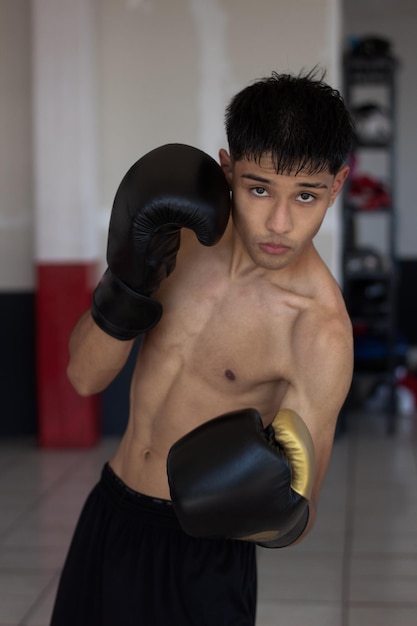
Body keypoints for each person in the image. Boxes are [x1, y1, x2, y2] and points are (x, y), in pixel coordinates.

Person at [50, 69, 355, 626]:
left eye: (306, 195)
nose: (279, 223)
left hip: (203, 558)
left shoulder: (317, 332)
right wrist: (127, 285)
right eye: (259, 188)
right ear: (226, 169)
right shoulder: (177, 243)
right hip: (110, 512)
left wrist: (267, 496)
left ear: (337, 186)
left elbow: (299, 517)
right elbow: (82, 378)